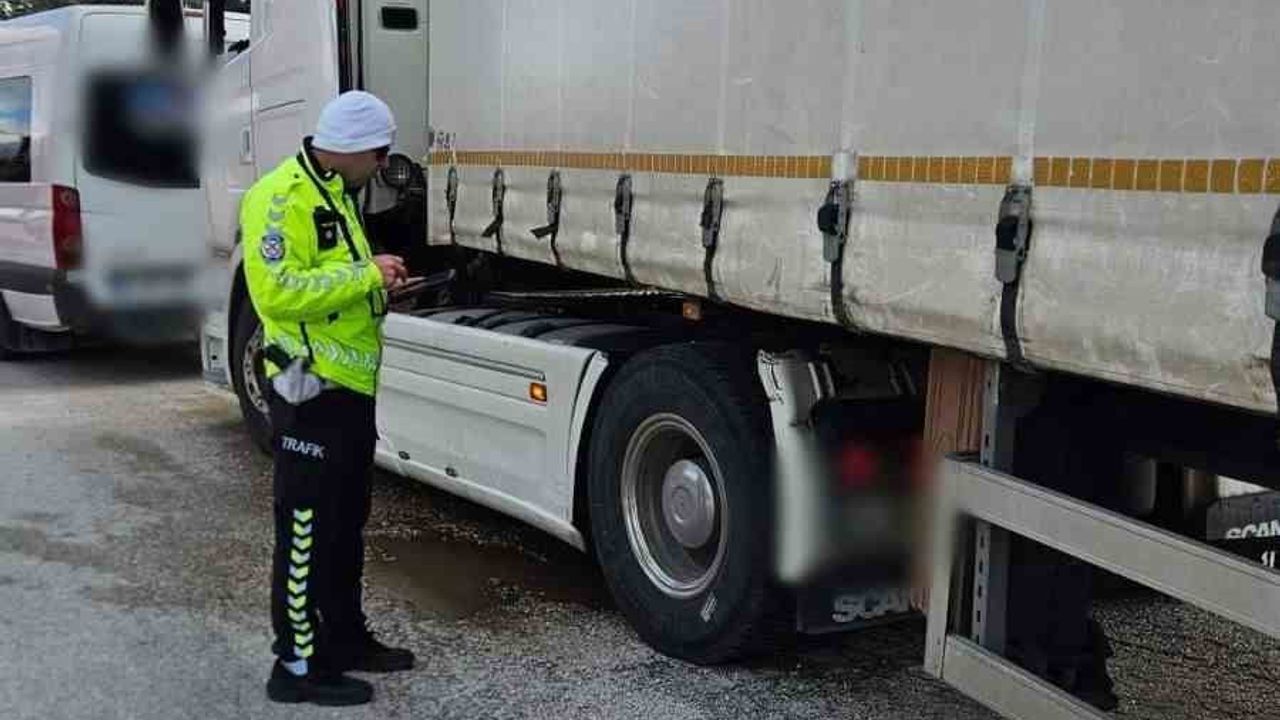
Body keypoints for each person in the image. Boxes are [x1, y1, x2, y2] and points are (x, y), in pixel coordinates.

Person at [241, 90, 413, 706]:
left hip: (348, 386)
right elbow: (278, 293)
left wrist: (380, 283)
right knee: (306, 525)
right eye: (382, 153)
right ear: (359, 148)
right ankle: (294, 666)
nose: (383, 165)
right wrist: (368, 275)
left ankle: (342, 637)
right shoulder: (279, 197)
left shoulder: (335, 192)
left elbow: (332, 282)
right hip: (304, 385)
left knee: (346, 521)